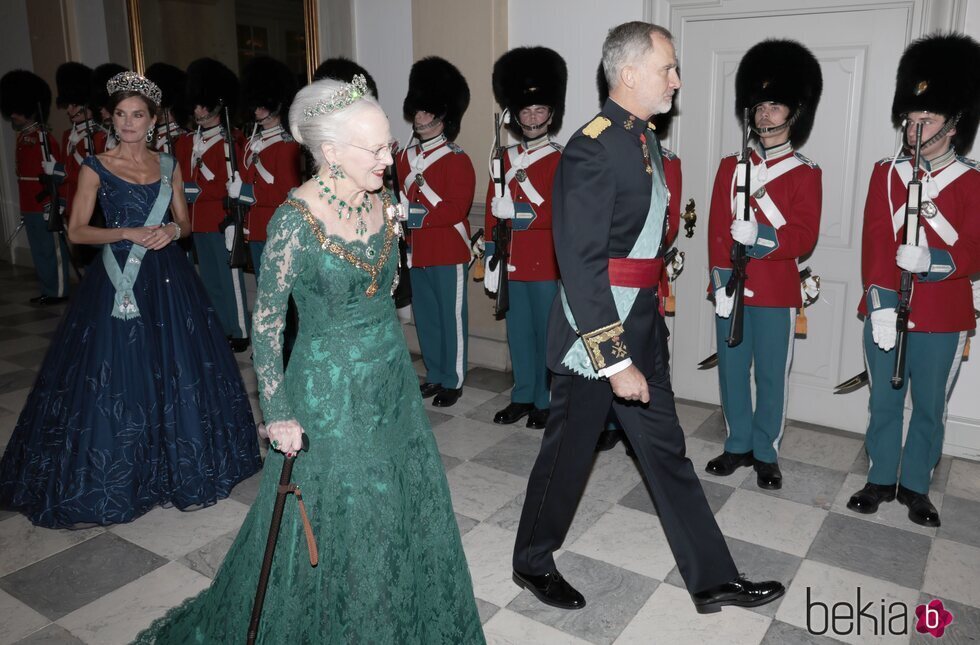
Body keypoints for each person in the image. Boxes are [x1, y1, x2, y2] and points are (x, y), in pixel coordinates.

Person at [134, 75, 485, 645]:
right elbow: (269, 326)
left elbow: (388, 285)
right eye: (373, 149)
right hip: (328, 391)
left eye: (386, 145)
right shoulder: (295, 222)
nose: (386, 158)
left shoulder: (385, 199)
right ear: (329, 153)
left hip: (390, 380)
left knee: (398, 501)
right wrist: (277, 411)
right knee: (339, 514)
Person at [511, 21, 784, 613]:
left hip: (641, 325)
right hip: (597, 339)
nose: (677, 80)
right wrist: (613, 362)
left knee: (666, 452)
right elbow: (581, 266)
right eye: (668, 68)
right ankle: (531, 561)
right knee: (567, 456)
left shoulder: (643, 141)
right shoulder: (591, 145)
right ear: (629, 73)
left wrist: (645, 338)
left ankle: (712, 577)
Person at [0, 71, 261, 528]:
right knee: (115, 371)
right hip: (115, 278)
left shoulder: (169, 165)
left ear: (152, 119)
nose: (128, 123)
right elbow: (78, 230)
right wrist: (126, 231)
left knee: (176, 366)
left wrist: (168, 231)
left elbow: (183, 222)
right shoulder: (94, 166)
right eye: (120, 115)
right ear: (112, 119)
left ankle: (178, 460)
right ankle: (121, 467)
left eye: (137, 115)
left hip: (168, 278)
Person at [846, 33, 980, 527]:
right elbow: (875, 243)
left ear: (955, 122)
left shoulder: (972, 180)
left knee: (928, 405)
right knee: (883, 398)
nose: (914, 128)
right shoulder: (886, 174)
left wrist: (933, 259)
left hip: (943, 312)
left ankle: (917, 486)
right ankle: (880, 476)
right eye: (910, 118)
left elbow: (975, 249)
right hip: (887, 308)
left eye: (926, 120)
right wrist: (880, 302)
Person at [705, 40, 823, 490]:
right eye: (759, 105)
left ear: (794, 113)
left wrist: (763, 237)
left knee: (772, 374)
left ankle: (766, 451)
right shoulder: (729, 166)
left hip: (776, 288)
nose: (765, 114)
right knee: (732, 369)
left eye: (776, 105)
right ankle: (737, 443)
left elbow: (804, 235)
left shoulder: (805, 172)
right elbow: (718, 230)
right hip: (733, 285)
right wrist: (720, 282)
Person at [484, 46, 566, 430]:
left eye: (539, 110)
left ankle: (545, 401)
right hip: (512, 258)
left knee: (545, 336)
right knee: (517, 333)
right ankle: (522, 394)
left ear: (551, 114)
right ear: (515, 115)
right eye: (526, 111)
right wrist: (490, 252)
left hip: (545, 261)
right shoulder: (503, 157)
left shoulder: (561, 158)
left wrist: (517, 213)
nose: (532, 117)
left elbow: (562, 213)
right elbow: (490, 207)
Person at [396, 57, 475, 408]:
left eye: (429, 114)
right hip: (419, 250)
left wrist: (415, 216)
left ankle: (454, 379)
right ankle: (436, 373)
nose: (422, 119)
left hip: (447, 248)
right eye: (419, 112)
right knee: (426, 317)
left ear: (444, 118)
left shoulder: (457, 159)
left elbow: (455, 209)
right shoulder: (404, 158)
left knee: (451, 318)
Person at [175, 58, 250, 353]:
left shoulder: (231, 139)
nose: (199, 110)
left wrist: (200, 185)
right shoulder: (186, 142)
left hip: (221, 217)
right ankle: (221, 326)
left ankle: (240, 330)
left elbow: (228, 183)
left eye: (203, 104)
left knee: (230, 279)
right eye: (196, 104)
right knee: (209, 280)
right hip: (197, 220)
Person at [1, 69, 70, 304]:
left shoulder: (43, 137)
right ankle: (48, 288)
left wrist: (54, 202)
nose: (14, 116)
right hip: (29, 202)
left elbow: (55, 172)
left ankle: (59, 290)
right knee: (40, 250)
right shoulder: (24, 137)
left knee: (53, 250)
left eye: (18, 111)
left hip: (43, 201)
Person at [238, 56, 302, 275]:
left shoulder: (287, 145)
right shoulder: (251, 143)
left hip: (276, 228)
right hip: (254, 227)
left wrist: (248, 191)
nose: (256, 110)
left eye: (262, 104)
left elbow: (287, 196)